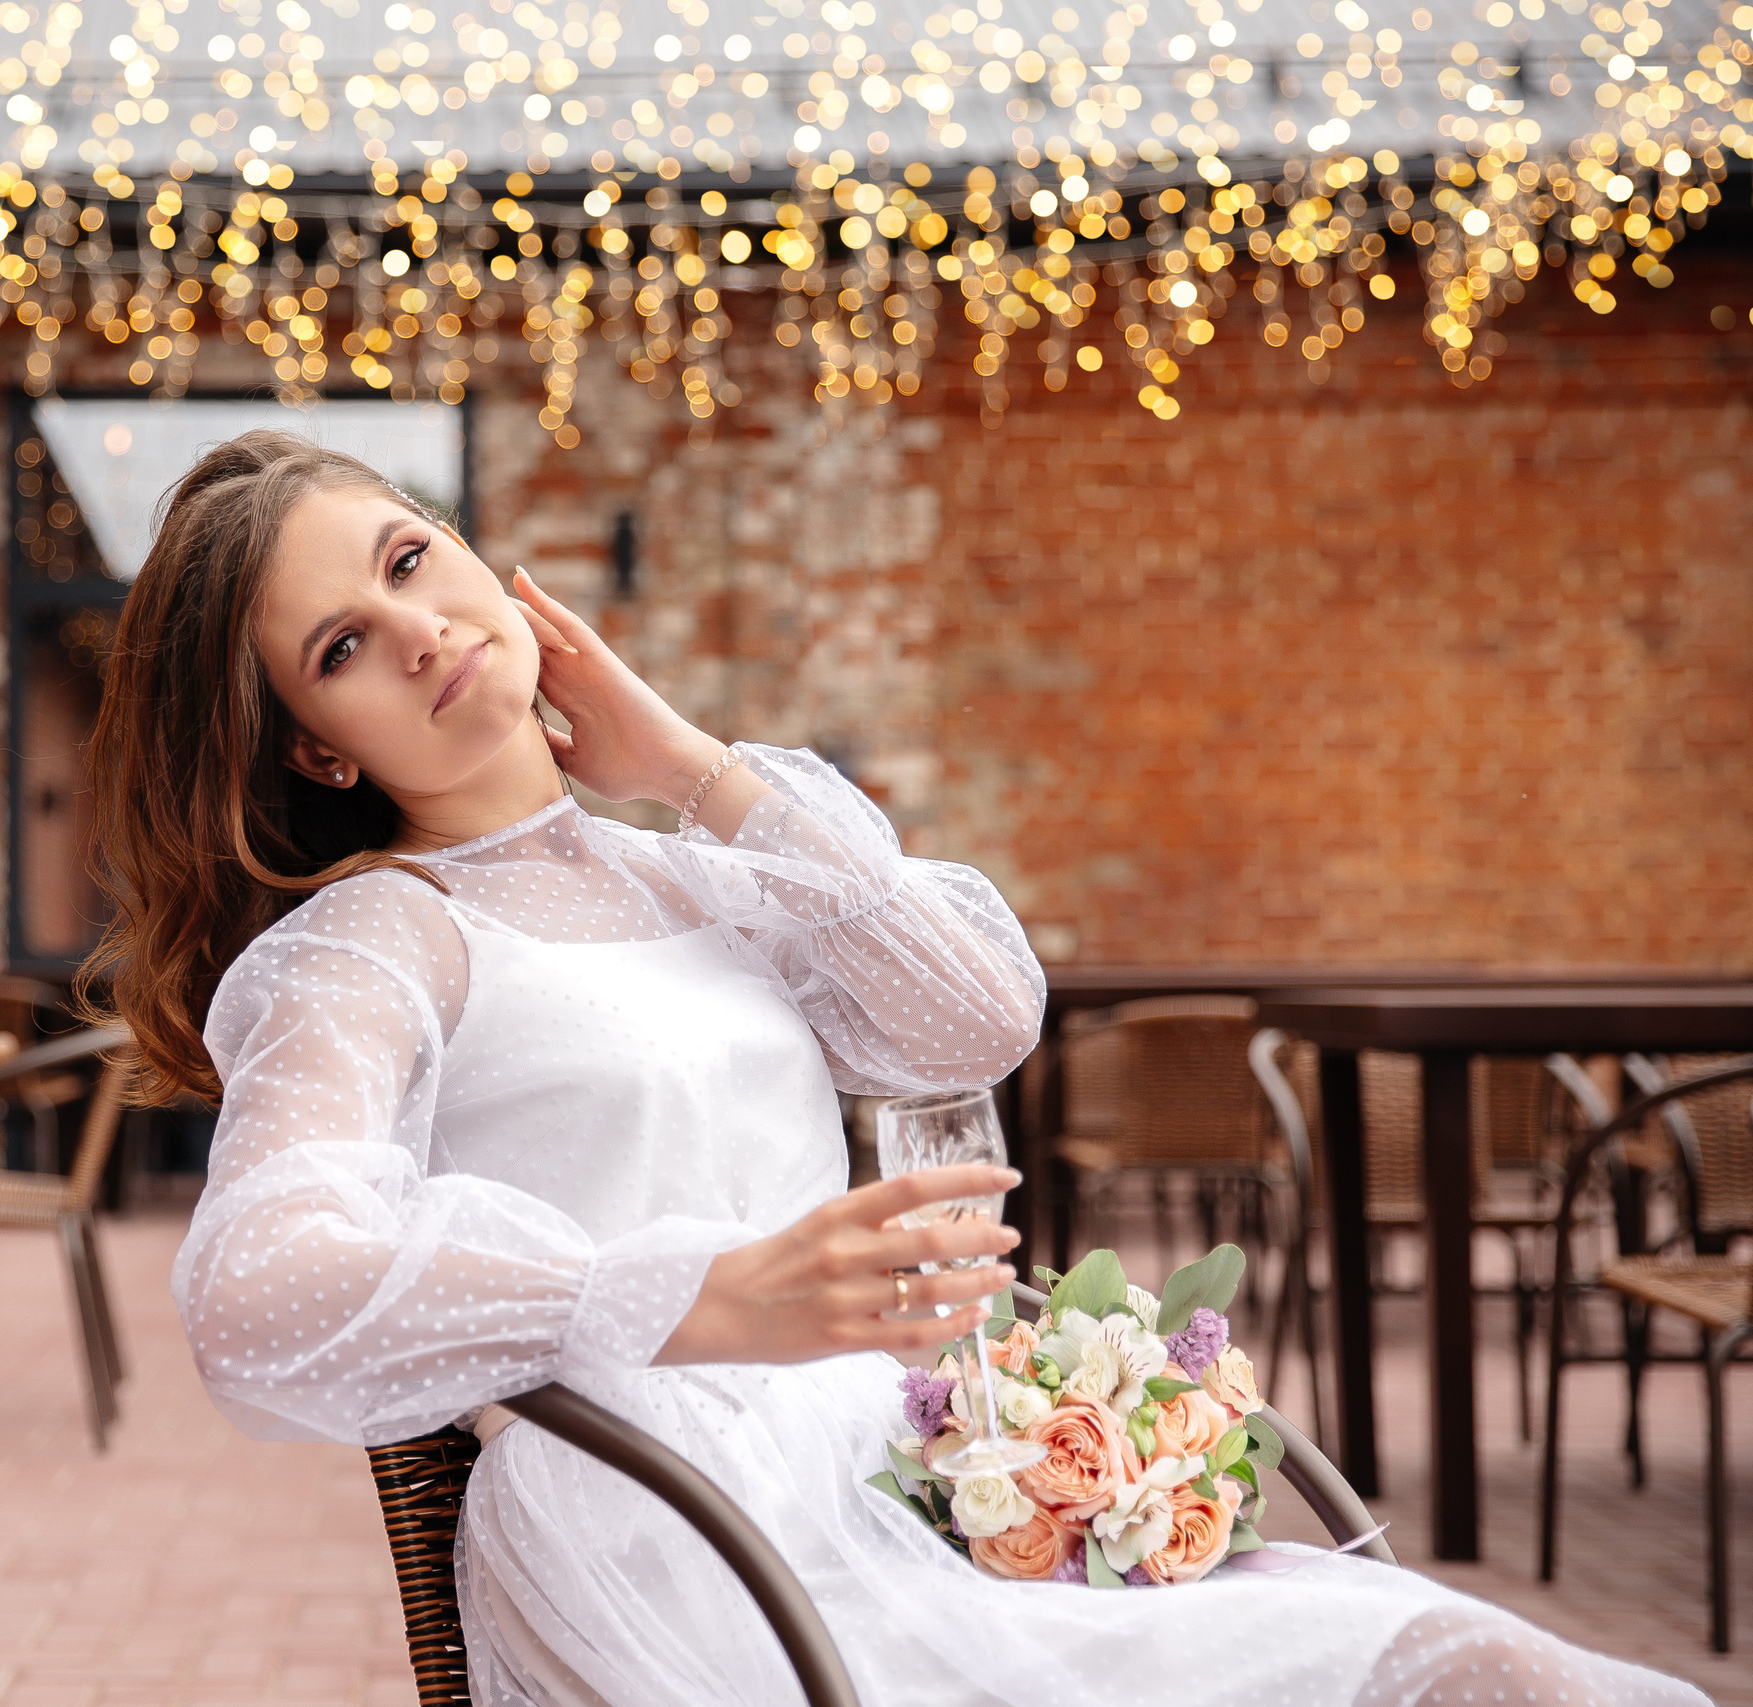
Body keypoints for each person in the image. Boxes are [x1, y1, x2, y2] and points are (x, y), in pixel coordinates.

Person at [83, 430, 1704, 1707]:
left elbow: (977, 1012)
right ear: (319, 745)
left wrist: (693, 770)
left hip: (911, 1464)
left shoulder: (698, 873)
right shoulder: (374, 944)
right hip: (681, 1522)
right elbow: (257, 1292)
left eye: (414, 558)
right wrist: (691, 1295)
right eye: (348, 645)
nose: (424, 630)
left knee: (1498, 1672)